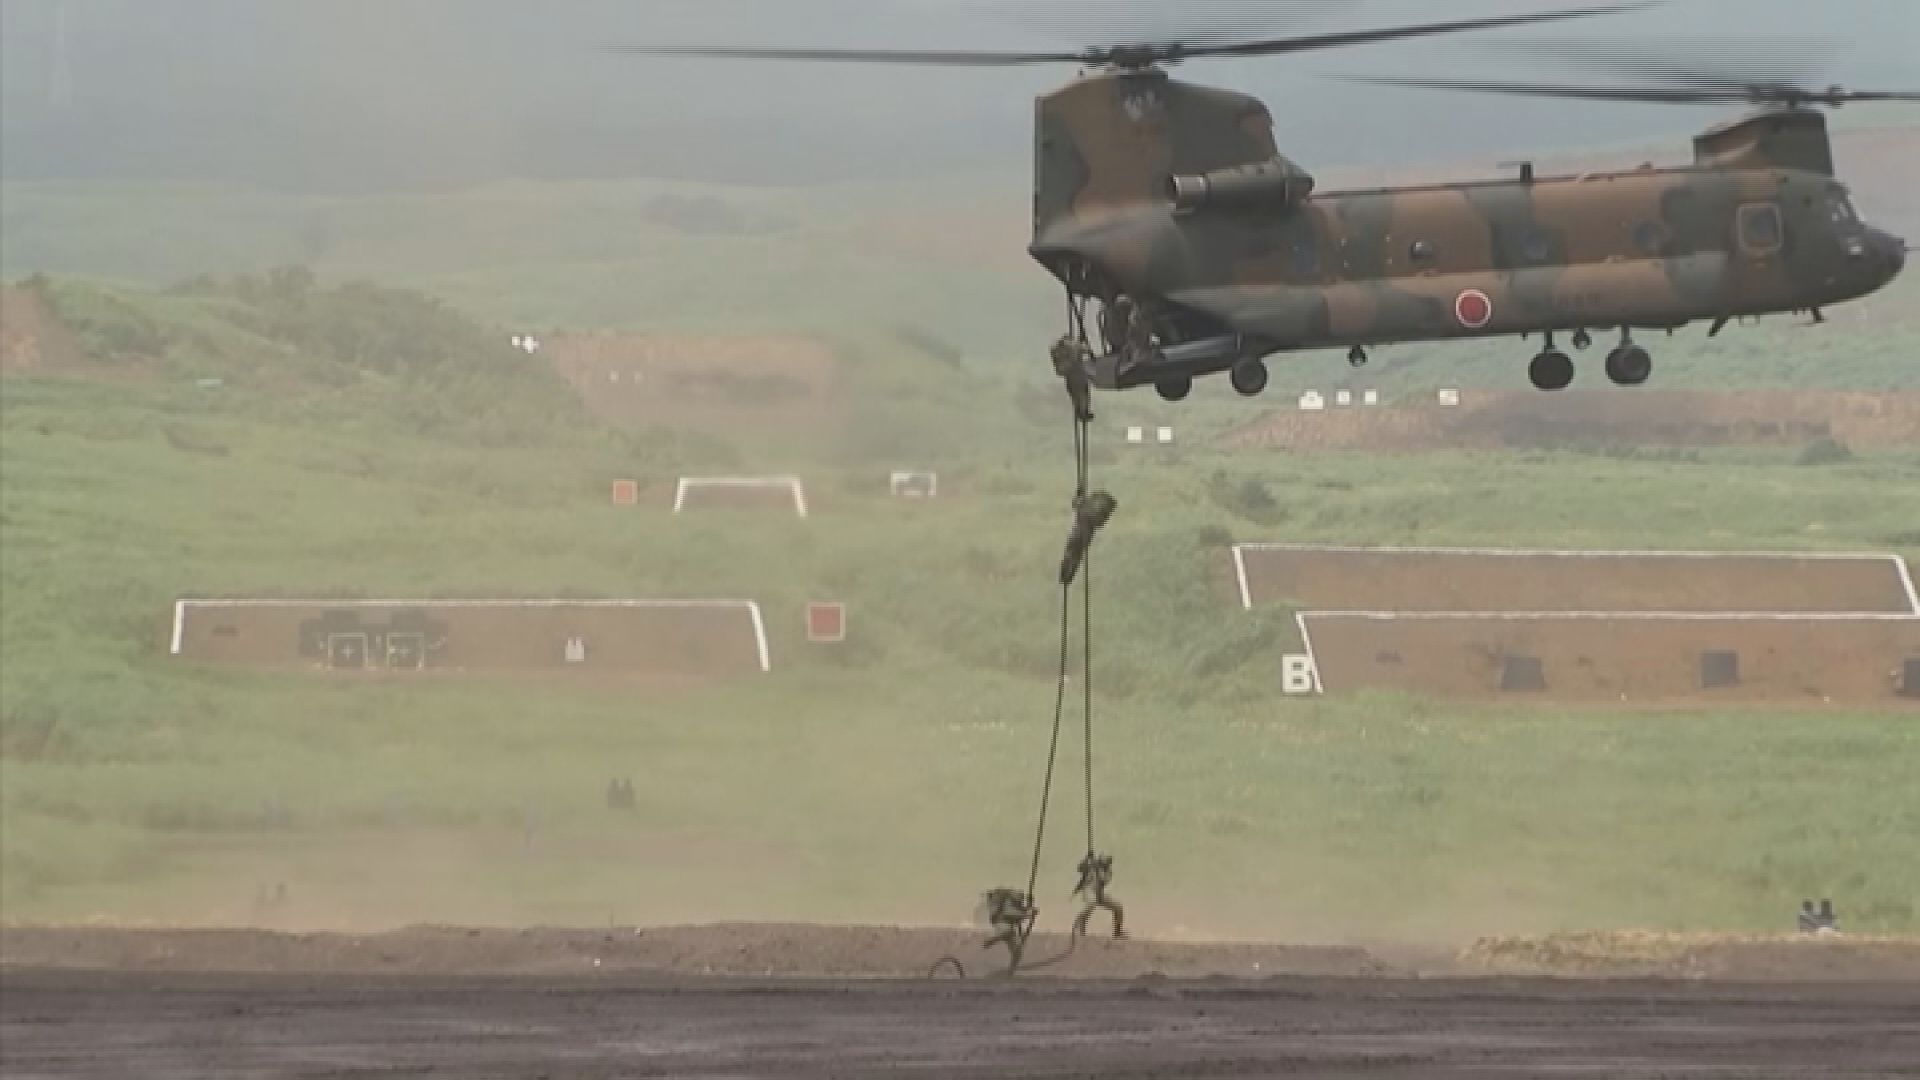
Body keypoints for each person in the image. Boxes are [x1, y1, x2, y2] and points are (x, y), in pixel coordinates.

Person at [1071, 852, 1126, 939]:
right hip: (1088, 890)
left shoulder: (1108, 872)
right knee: (1091, 904)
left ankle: (1117, 931)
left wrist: (1096, 869)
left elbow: (1103, 880)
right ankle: (1080, 926)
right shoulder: (1091, 865)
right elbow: (1080, 869)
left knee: (1118, 907)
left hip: (1099, 893)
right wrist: (1086, 860)